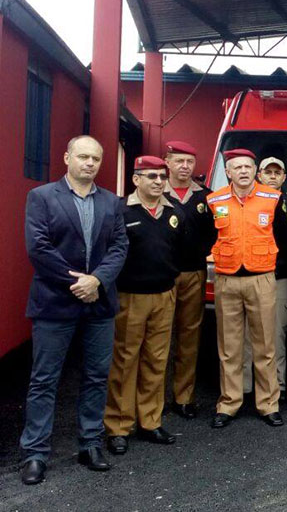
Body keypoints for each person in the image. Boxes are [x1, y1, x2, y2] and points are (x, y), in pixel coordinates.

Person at [19, 136, 128, 486]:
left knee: (96, 376)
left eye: (95, 158)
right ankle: (35, 453)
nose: (90, 163)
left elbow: (119, 247)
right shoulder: (41, 197)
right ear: (67, 158)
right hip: (55, 303)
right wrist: (79, 283)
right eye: (83, 156)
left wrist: (97, 281)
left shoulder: (111, 202)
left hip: (99, 304)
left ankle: (90, 444)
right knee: (44, 380)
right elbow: (38, 248)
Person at [105, 156, 185, 455]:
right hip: (131, 297)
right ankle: (119, 426)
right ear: (136, 179)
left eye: (162, 177)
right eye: (151, 176)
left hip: (164, 295)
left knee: (156, 360)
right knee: (125, 361)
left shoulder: (174, 212)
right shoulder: (120, 211)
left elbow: (179, 251)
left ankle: (150, 421)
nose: (158, 182)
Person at [206, 149, 286, 429]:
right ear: (228, 172)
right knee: (229, 347)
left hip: (261, 278)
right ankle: (229, 403)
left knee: (265, 346)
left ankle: (268, 404)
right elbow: (207, 237)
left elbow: (285, 236)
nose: (242, 171)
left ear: (255, 171)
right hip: (226, 279)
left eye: (247, 167)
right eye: (237, 167)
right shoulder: (214, 200)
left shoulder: (273, 198)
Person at [163, 140, 216, 420]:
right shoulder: (157, 192)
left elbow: (215, 233)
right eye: (179, 161)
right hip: (163, 274)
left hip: (195, 272)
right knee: (159, 338)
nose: (185, 167)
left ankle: (184, 397)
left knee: (189, 337)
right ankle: (155, 399)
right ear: (167, 162)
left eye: (190, 162)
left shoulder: (206, 197)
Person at [242, 157, 287, 401]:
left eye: (278, 173)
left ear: (284, 177)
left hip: (280, 277)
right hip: (251, 276)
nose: (273, 176)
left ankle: (277, 387)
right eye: (268, 172)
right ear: (259, 175)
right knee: (247, 337)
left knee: (276, 336)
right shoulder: (246, 202)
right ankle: (245, 388)